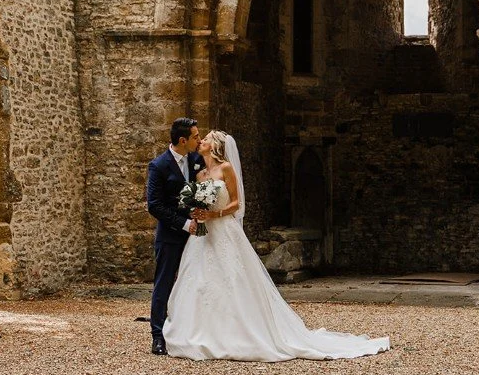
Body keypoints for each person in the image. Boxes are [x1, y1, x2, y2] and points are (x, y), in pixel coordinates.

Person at [163, 130, 390, 361]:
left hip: (223, 231)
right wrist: (196, 211)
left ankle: (237, 333)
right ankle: (199, 331)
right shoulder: (200, 174)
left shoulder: (226, 169)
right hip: (202, 234)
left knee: (231, 279)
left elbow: (236, 204)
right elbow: (195, 201)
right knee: (198, 280)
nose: (201, 140)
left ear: (216, 146)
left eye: (207, 138)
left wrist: (216, 213)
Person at [145, 117, 205, 355]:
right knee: (164, 283)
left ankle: (190, 331)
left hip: (197, 236)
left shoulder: (197, 160)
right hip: (171, 235)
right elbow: (155, 205)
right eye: (195, 136)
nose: (199, 140)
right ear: (183, 140)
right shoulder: (159, 166)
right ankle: (158, 336)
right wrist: (183, 223)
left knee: (197, 282)